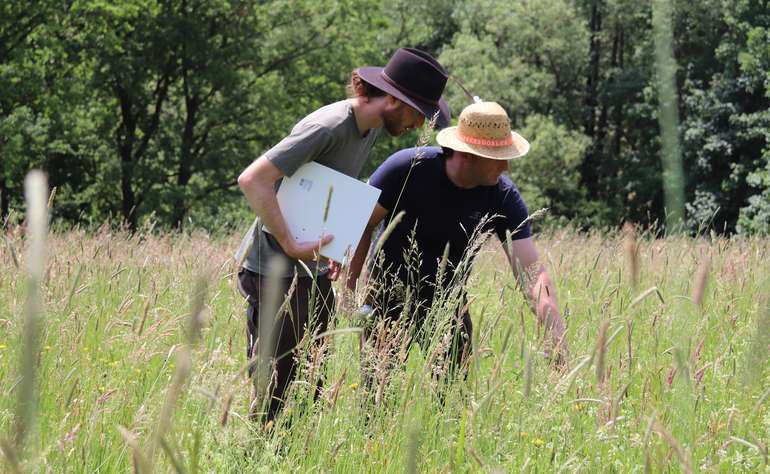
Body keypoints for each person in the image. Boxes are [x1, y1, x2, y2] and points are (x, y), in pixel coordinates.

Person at [236, 48, 450, 423]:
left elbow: (318, 189)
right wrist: (289, 243)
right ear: (394, 101)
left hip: (309, 271)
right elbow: (253, 180)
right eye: (419, 112)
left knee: (310, 386)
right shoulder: (330, 125)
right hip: (273, 269)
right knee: (275, 389)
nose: (420, 125)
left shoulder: (366, 130)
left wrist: (331, 247)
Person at [346, 101, 568, 385]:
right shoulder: (406, 168)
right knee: (377, 399)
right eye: (498, 156)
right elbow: (360, 222)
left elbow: (531, 273)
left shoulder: (503, 196)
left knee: (452, 402)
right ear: (468, 155)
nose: (507, 165)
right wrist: (350, 290)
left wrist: (553, 328)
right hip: (387, 299)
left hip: (447, 305)